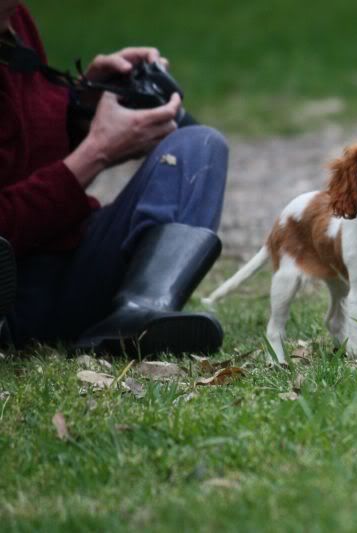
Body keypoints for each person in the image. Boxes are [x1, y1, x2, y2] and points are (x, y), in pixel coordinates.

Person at [0, 1, 228, 355]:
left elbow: (28, 144)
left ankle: (140, 313)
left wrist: (83, 101)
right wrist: (97, 152)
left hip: (71, 263)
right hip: (14, 292)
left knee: (199, 146)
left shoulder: (15, 21)